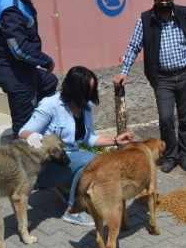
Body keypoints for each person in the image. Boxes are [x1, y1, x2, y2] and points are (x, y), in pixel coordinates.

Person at [113, 0, 186, 173]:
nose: (164, 3)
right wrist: (124, 72)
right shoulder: (146, 19)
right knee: (166, 118)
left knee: (185, 118)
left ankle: (184, 155)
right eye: (160, 0)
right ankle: (170, 155)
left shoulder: (185, 13)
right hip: (162, 79)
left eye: (168, 0)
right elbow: (134, 46)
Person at [20, 66, 134, 226]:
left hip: (66, 160)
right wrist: (31, 136)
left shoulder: (85, 107)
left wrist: (116, 140)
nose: (90, 95)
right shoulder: (51, 104)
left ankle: (66, 187)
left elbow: (89, 139)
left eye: (92, 89)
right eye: (87, 90)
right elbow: (24, 131)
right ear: (75, 89)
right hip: (45, 167)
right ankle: (73, 211)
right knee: (92, 160)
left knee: (90, 160)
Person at [0, 0, 58, 140]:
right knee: (23, 131)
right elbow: (19, 49)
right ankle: (23, 158)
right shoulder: (11, 8)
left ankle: (40, 123)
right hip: (15, 72)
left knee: (49, 82)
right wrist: (46, 60)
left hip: (22, 69)